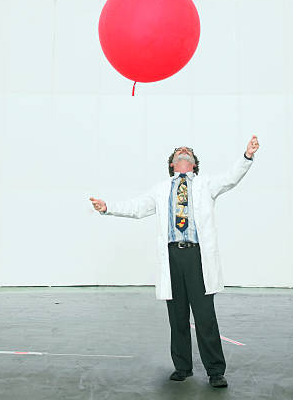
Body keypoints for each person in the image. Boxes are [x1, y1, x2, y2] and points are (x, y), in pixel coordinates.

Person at [90, 135, 259, 388]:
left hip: (196, 256)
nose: (183, 152)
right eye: (179, 151)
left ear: (193, 164)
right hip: (172, 256)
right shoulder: (161, 189)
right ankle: (182, 367)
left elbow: (232, 178)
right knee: (177, 316)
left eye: (188, 151)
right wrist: (108, 207)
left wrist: (247, 156)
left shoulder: (206, 184)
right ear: (172, 164)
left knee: (204, 316)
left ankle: (215, 371)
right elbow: (136, 207)